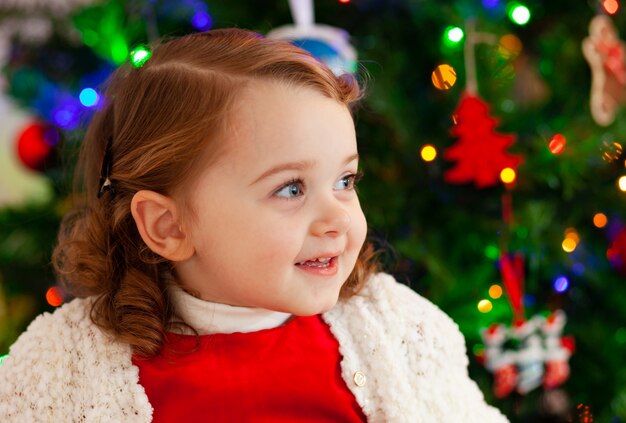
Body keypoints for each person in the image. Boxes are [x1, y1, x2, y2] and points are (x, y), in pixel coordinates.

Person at [0, 28, 508, 422]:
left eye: (345, 180)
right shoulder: (66, 373)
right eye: (290, 188)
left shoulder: (395, 333)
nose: (337, 218)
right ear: (168, 227)